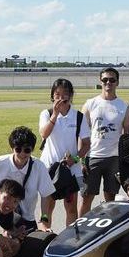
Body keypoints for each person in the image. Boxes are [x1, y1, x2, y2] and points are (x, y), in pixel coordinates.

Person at [80, 67, 129, 215]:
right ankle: (79, 226)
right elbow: (82, 134)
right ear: (100, 81)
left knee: (111, 198)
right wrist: (81, 159)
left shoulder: (124, 107)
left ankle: (108, 225)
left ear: (117, 82)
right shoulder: (90, 104)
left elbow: (128, 136)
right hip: (93, 157)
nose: (108, 83)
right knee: (86, 197)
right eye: (105, 80)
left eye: (112, 80)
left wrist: (125, 161)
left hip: (114, 158)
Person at [38, 78, 88, 226]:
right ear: (52, 96)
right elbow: (44, 134)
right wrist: (55, 115)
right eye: (57, 94)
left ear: (71, 95)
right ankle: (45, 234)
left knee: (71, 208)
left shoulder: (78, 116)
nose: (61, 98)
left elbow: (86, 144)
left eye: (65, 94)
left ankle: (70, 237)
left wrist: (75, 159)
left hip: (70, 168)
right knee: (47, 208)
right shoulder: (46, 114)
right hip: (49, 168)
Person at [0, 126, 55, 231]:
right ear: (12, 148)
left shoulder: (38, 166)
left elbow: (46, 195)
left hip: (26, 218)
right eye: (18, 149)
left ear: (32, 149)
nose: (22, 154)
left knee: (35, 239)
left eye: (27, 150)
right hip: (0, 215)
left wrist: (43, 220)